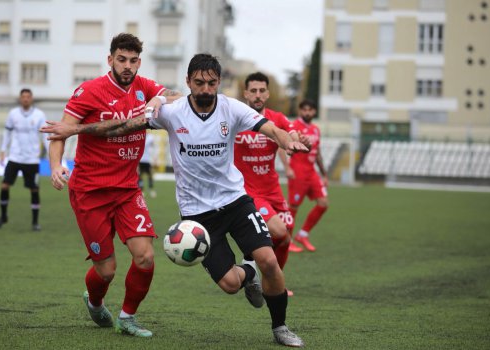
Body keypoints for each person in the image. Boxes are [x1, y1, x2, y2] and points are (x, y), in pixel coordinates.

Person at [41, 53, 307, 347]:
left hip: (236, 200)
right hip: (198, 215)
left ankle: (280, 327)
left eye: (211, 83)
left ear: (219, 82)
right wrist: (74, 130)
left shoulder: (232, 109)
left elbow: (271, 129)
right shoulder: (172, 112)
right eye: (199, 83)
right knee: (231, 284)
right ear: (188, 82)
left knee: (269, 260)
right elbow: (123, 127)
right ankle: (248, 274)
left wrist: (287, 140)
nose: (205, 89)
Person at [45, 33, 181, 337]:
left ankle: (127, 317)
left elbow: (178, 96)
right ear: (110, 60)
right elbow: (61, 132)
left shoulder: (144, 87)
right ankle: (94, 301)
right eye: (122, 59)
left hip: (127, 189)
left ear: (139, 62)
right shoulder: (89, 91)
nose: (127, 66)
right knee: (106, 270)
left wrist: (160, 97)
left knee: (145, 256)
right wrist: (56, 166)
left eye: (133, 61)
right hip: (89, 191)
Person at [234, 72, 309, 297]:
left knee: (285, 238)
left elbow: (291, 131)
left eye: (261, 91)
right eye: (253, 91)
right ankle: (252, 266)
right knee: (277, 231)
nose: (257, 95)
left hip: (273, 190)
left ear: (267, 93)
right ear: (246, 93)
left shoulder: (276, 118)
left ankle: (273, 283)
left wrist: (297, 140)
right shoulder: (236, 117)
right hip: (248, 191)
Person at [0, 88, 49, 232]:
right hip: (15, 157)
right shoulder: (13, 114)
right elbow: (7, 133)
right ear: (20, 99)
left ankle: (35, 222)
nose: (25, 99)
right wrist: (2, 150)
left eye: (28, 96)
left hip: (31, 159)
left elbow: (45, 136)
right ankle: (3, 216)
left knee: (34, 189)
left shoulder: (39, 115)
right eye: (23, 96)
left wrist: (51, 153)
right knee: (4, 186)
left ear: (32, 99)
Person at [287, 99, 329, 253]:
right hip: (298, 170)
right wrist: (287, 168)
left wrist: (324, 175)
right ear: (300, 111)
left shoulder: (316, 130)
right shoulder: (294, 127)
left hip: (312, 172)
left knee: (323, 203)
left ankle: (303, 234)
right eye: (304, 109)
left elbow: (317, 153)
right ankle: (287, 240)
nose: (307, 112)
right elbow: (282, 146)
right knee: (293, 206)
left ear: (314, 112)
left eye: (310, 110)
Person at [138, 132, 157, 198]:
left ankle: (151, 189)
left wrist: (154, 157)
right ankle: (141, 190)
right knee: (140, 176)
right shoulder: (140, 136)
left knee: (150, 175)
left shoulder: (150, 137)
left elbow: (153, 146)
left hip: (147, 159)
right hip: (140, 159)